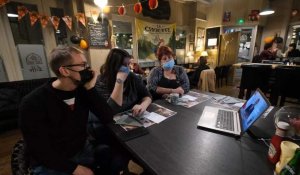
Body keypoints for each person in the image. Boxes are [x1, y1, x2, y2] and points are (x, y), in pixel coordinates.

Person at [19, 46, 123, 175]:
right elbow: (39, 150)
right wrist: (74, 169)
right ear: (64, 71)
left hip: (82, 149)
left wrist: (90, 89)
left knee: (117, 159)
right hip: (52, 162)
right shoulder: (33, 102)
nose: (88, 69)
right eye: (83, 65)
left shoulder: (82, 91)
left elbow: (107, 116)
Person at [89, 48, 152, 138]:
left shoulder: (133, 77)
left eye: (128, 64)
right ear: (113, 65)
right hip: (110, 127)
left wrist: (142, 105)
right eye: (123, 65)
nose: (127, 68)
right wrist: (120, 81)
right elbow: (110, 112)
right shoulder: (101, 81)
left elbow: (147, 96)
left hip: (133, 122)